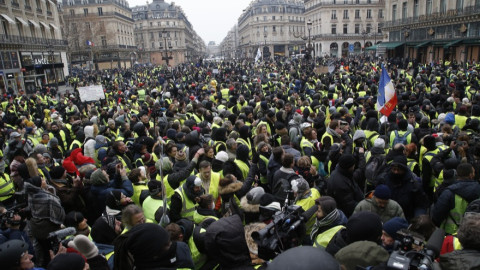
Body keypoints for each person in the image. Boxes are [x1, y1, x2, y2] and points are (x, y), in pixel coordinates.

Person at [432, 163, 480, 235]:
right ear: (471, 175)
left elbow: (437, 215)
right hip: (477, 233)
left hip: (452, 234)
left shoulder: (449, 192)